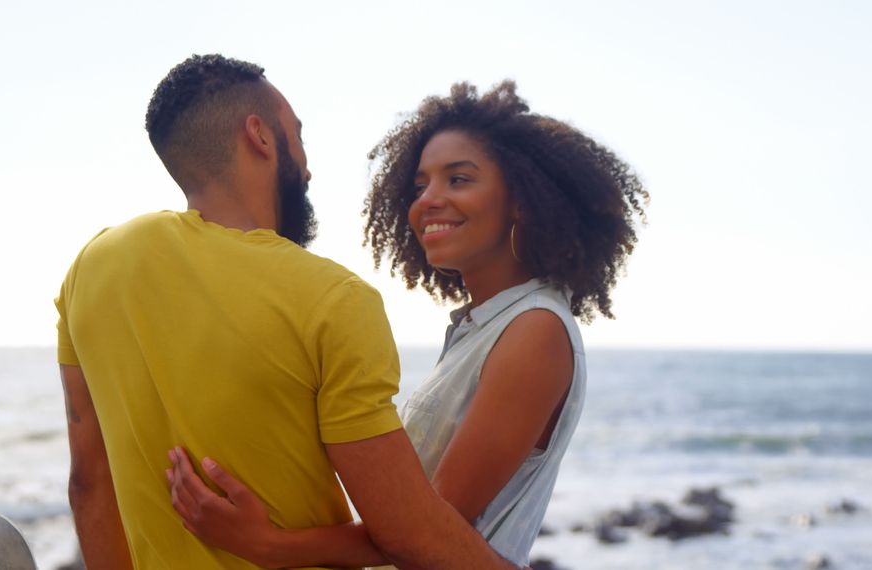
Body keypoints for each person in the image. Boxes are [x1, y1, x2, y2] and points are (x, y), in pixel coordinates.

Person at [55, 54, 521, 570]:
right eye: (296, 136)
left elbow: (88, 483)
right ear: (259, 135)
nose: (307, 164)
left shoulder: (92, 269)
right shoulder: (332, 298)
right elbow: (409, 534)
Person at [166, 80, 649, 568]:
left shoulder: (535, 331)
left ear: (522, 200)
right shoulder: (484, 328)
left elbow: (427, 527)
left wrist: (265, 543)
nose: (427, 201)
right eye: (420, 186)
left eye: (458, 179)